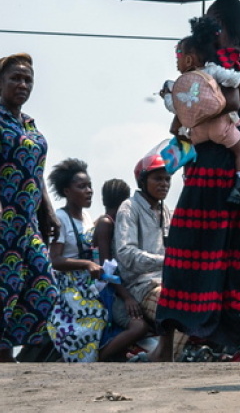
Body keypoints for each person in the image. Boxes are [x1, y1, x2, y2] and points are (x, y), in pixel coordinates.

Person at [158, 0, 240, 348]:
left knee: (191, 244)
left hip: (208, 159)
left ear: (220, 24)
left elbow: (184, 115)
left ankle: (170, 342)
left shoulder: (210, 66)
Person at [0, 53, 58, 362]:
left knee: (43, 283)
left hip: (26, 219)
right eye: (15, 78)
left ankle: (5, 343)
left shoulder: (29, 125)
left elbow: (36, 172)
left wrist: (48, 209)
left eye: (28, 79)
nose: (23, 84)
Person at [167, 15, 240, 211]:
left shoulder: (181, 83)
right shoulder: (213, 71)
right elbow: (234, 78)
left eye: (178, 56)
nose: (176, 62)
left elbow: (174, 106)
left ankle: (187, 176)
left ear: (189, 58)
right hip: (220, 129)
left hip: (198, 134)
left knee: (189, 152)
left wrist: (167, 95)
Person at [115, 151, 180, 362]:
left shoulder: (165, 211)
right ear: (143, 180)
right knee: (179, 306)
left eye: (167, 179)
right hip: (141, 286)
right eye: (158, 178)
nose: (164, 184)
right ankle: (154, 360)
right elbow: (126, 254)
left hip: (166, 281)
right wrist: (165, 261)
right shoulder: (129, 208)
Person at [45, 158, 111, 362]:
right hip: (70, 287)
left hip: (89, 283)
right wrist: (87, 264)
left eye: (89, 185)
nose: (89, 190)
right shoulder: (60, 219)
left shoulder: (88, 217)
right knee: (97, 316)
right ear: (67, 191)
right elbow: (55, 260)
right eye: (81, 186)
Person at [93, 178, 149, 360]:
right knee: (138, 326)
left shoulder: (123, 223)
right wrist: (127, 298)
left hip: (123, 286)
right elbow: (107, 267)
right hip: (112, 292)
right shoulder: (106, 223)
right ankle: (97, 359)